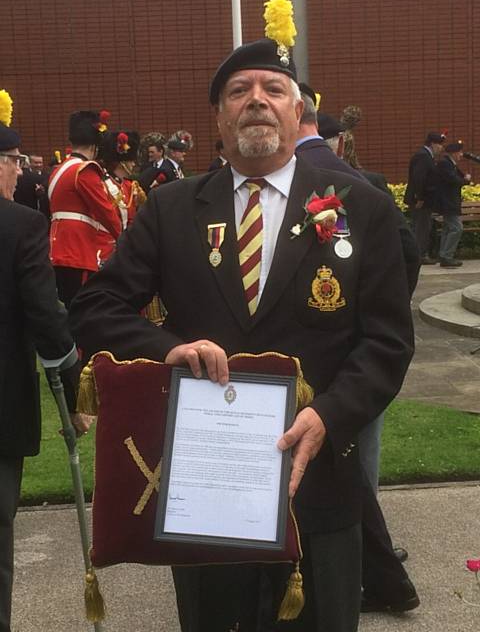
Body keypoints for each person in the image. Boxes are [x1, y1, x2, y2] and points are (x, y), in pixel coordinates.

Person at [70, 36, 414, 632]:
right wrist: (167, 349)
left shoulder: (364, 206)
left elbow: (387, 341)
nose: (257, 100)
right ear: (220, 118)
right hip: (206, 487)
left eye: (273, 89)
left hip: (317, 480)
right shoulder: (170, 208)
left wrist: (331, 414)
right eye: (239, 91)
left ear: (297, 109)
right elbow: (97, 306)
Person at [297, 89, 419, 611]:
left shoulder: (354, 192)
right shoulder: (365, 184)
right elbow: (408, 253)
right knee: (358, 468)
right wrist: (375, 309)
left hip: (296, 368)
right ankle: (367, 567)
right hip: (354, 363)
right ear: (337, 136)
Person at [0, 95, 87, 632]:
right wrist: (76, 395)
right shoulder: (19, 226)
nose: (20, 171)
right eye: (15, 161)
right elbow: (46, 321)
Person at [48, 111, 122, 308]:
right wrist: (125, 238)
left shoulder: (60, 169)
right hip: (79, 252)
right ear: (95, 145)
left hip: (59, 248)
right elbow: (107, 212)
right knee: (84, 309)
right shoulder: (85, 170)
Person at [97, 130, 144, 265]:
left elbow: (132, 220)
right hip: (104, 247)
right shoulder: (103, 184)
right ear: (122, 162)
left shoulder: (129, 186)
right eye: (131, 160)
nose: (134, 164)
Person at [404, 131, 446, 264]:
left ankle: (421, 253)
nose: (441, 148)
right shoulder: (423, 156)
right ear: (432, 144)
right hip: (421, 201)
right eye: (439, 144)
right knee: (421, 228)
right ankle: (419, 255)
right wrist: (419, 197)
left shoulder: (427, 156)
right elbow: (419, 178)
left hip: (425, 200)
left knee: (424, 226)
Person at [435, 141, 470, 268]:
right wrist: (464, 181)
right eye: (459, 152)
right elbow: (453, 179)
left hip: (450, 202)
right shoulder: (445, 164)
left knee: (448, 229)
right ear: (453, 153)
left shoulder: (450, 164)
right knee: (456, 228)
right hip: (447, 202)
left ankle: (444, 255)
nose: (461, 155)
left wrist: (464, 179)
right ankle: (447, 256)